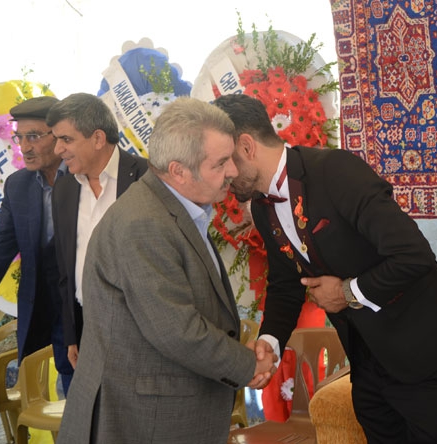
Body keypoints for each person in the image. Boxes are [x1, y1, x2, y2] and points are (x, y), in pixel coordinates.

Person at [215, 94, 437, 444]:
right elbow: (285, 284)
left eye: (224, 161)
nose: (223, 176)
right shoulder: (263, 208)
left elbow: (413, 255)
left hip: (424, 346)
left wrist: (346, 292)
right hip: (365, 357)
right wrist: (269, 343)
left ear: (247, 147)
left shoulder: (335, 170)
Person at [56, 97, 277, 444]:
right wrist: (247, 365)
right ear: (179, 171)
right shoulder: (143, 223)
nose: (233, 171)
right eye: (221, 163)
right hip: (144, 419)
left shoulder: (170, 208)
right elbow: (176, 330)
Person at [47, 93, 148, 372]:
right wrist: (72, 335)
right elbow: (65, 270)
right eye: (56, 139)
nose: (58, 150)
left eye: (66, 139)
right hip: (86, 329)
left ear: (98, 138)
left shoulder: (147, 178)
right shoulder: (64, 189)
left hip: (141, 330)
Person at [0, 96, 74, 394]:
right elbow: (1, 249)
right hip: (41, 310)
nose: (24, 147)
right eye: (19, 137)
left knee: (80, 398)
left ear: (60, 136)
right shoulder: (18, 185)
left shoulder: (84, 178)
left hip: (84, 314)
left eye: (34, 136)